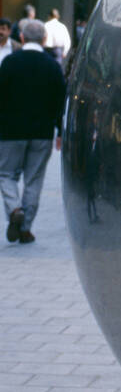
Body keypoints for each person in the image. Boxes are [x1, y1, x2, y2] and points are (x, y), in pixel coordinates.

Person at [0, 19, 66, 244]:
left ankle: (14, 208)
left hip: (10, 131)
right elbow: (60, 100)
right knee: (34, 180)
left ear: (21, 37)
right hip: (42, 132)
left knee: (6, 174)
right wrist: (60, 131)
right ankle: (25, 228)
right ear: (44, 39)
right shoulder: (52, 66)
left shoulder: (10, 62)